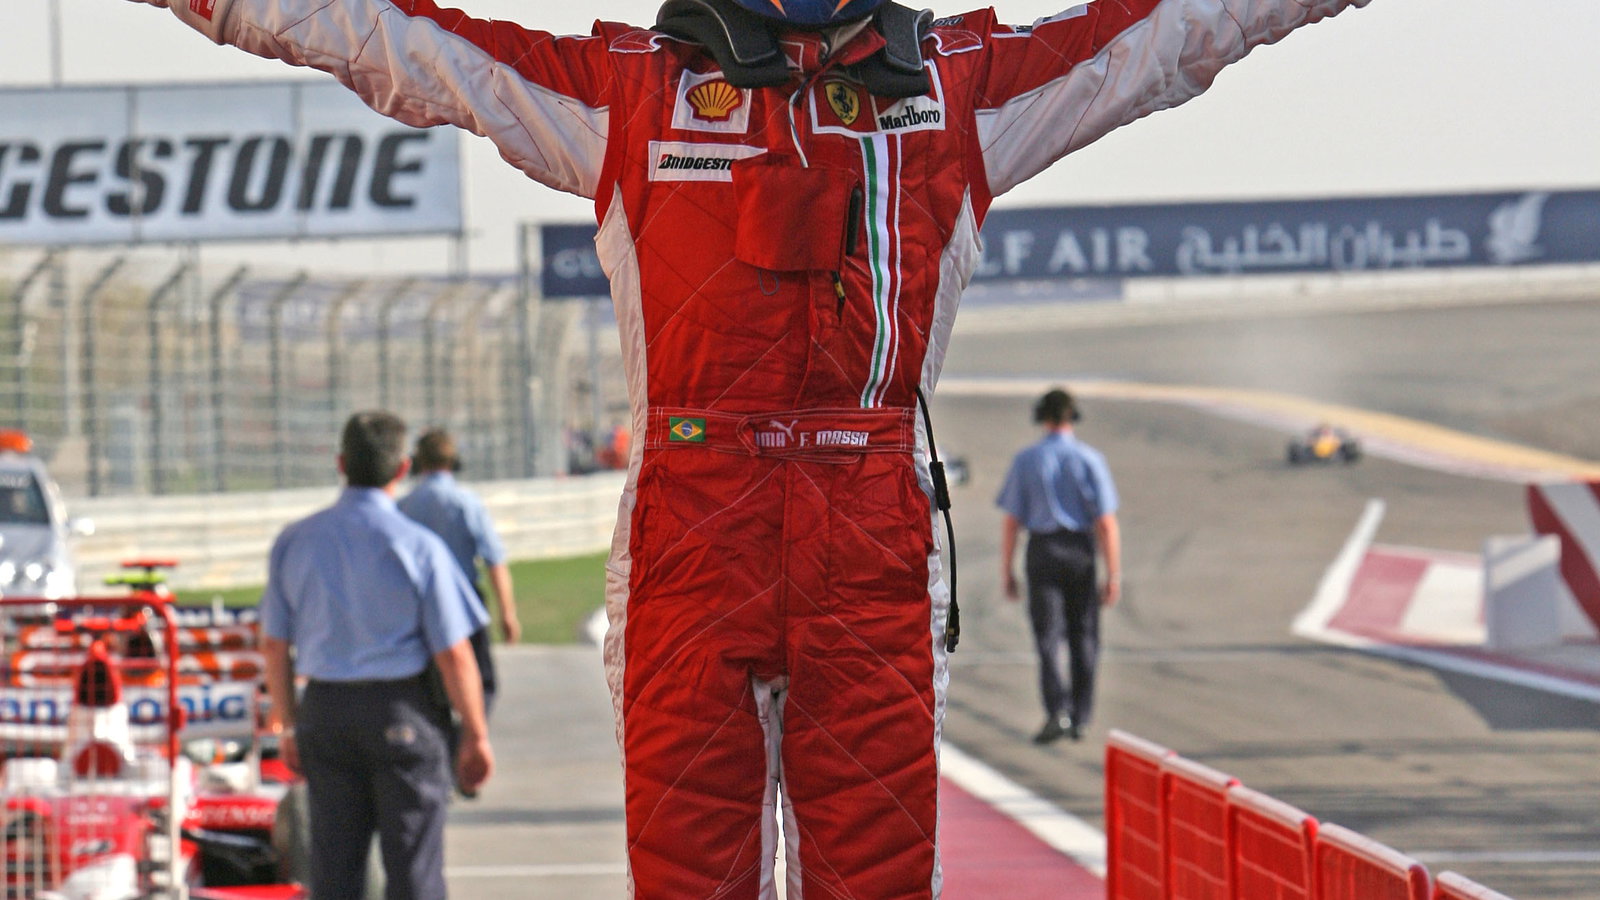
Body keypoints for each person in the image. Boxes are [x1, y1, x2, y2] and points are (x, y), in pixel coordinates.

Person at [127, 0, 1371, 895]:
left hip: (864, 531)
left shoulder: (954, 86)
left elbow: (1168, 32)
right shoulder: (633, 90)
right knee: (688, 875)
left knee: (873, 877)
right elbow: (404, 44)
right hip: (695, 531)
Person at [260, 411, 494, 899]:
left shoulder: (294, 541)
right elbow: (454, 653)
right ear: (402, 468)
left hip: (324, 709)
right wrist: (475, 732)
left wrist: (286, 722)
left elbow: (275, 644)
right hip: (400, 711)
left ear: (341, 463)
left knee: (335, 870)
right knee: (414, 872)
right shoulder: (419, 546)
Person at [997, 388, 1122, 745]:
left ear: (1043, 417)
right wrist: (1113, 573)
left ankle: (1058, 712)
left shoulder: (1027, 461)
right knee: (1084, 634)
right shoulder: (1089, 459)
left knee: (1048, 636)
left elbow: (1011, 522)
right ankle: (1081, 716)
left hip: (1042, 550)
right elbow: (1107, 523)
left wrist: (1007, 570)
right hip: (1080, 552)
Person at [399, 427, 521, 717]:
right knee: (480, 679)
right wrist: (507, 612)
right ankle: (473, 732)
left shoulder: (404, 505)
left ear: (418, 463)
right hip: (465, 599)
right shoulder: (467, 502)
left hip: (419, 603)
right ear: (454, 463)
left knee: (426, 680)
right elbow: (494, 559)